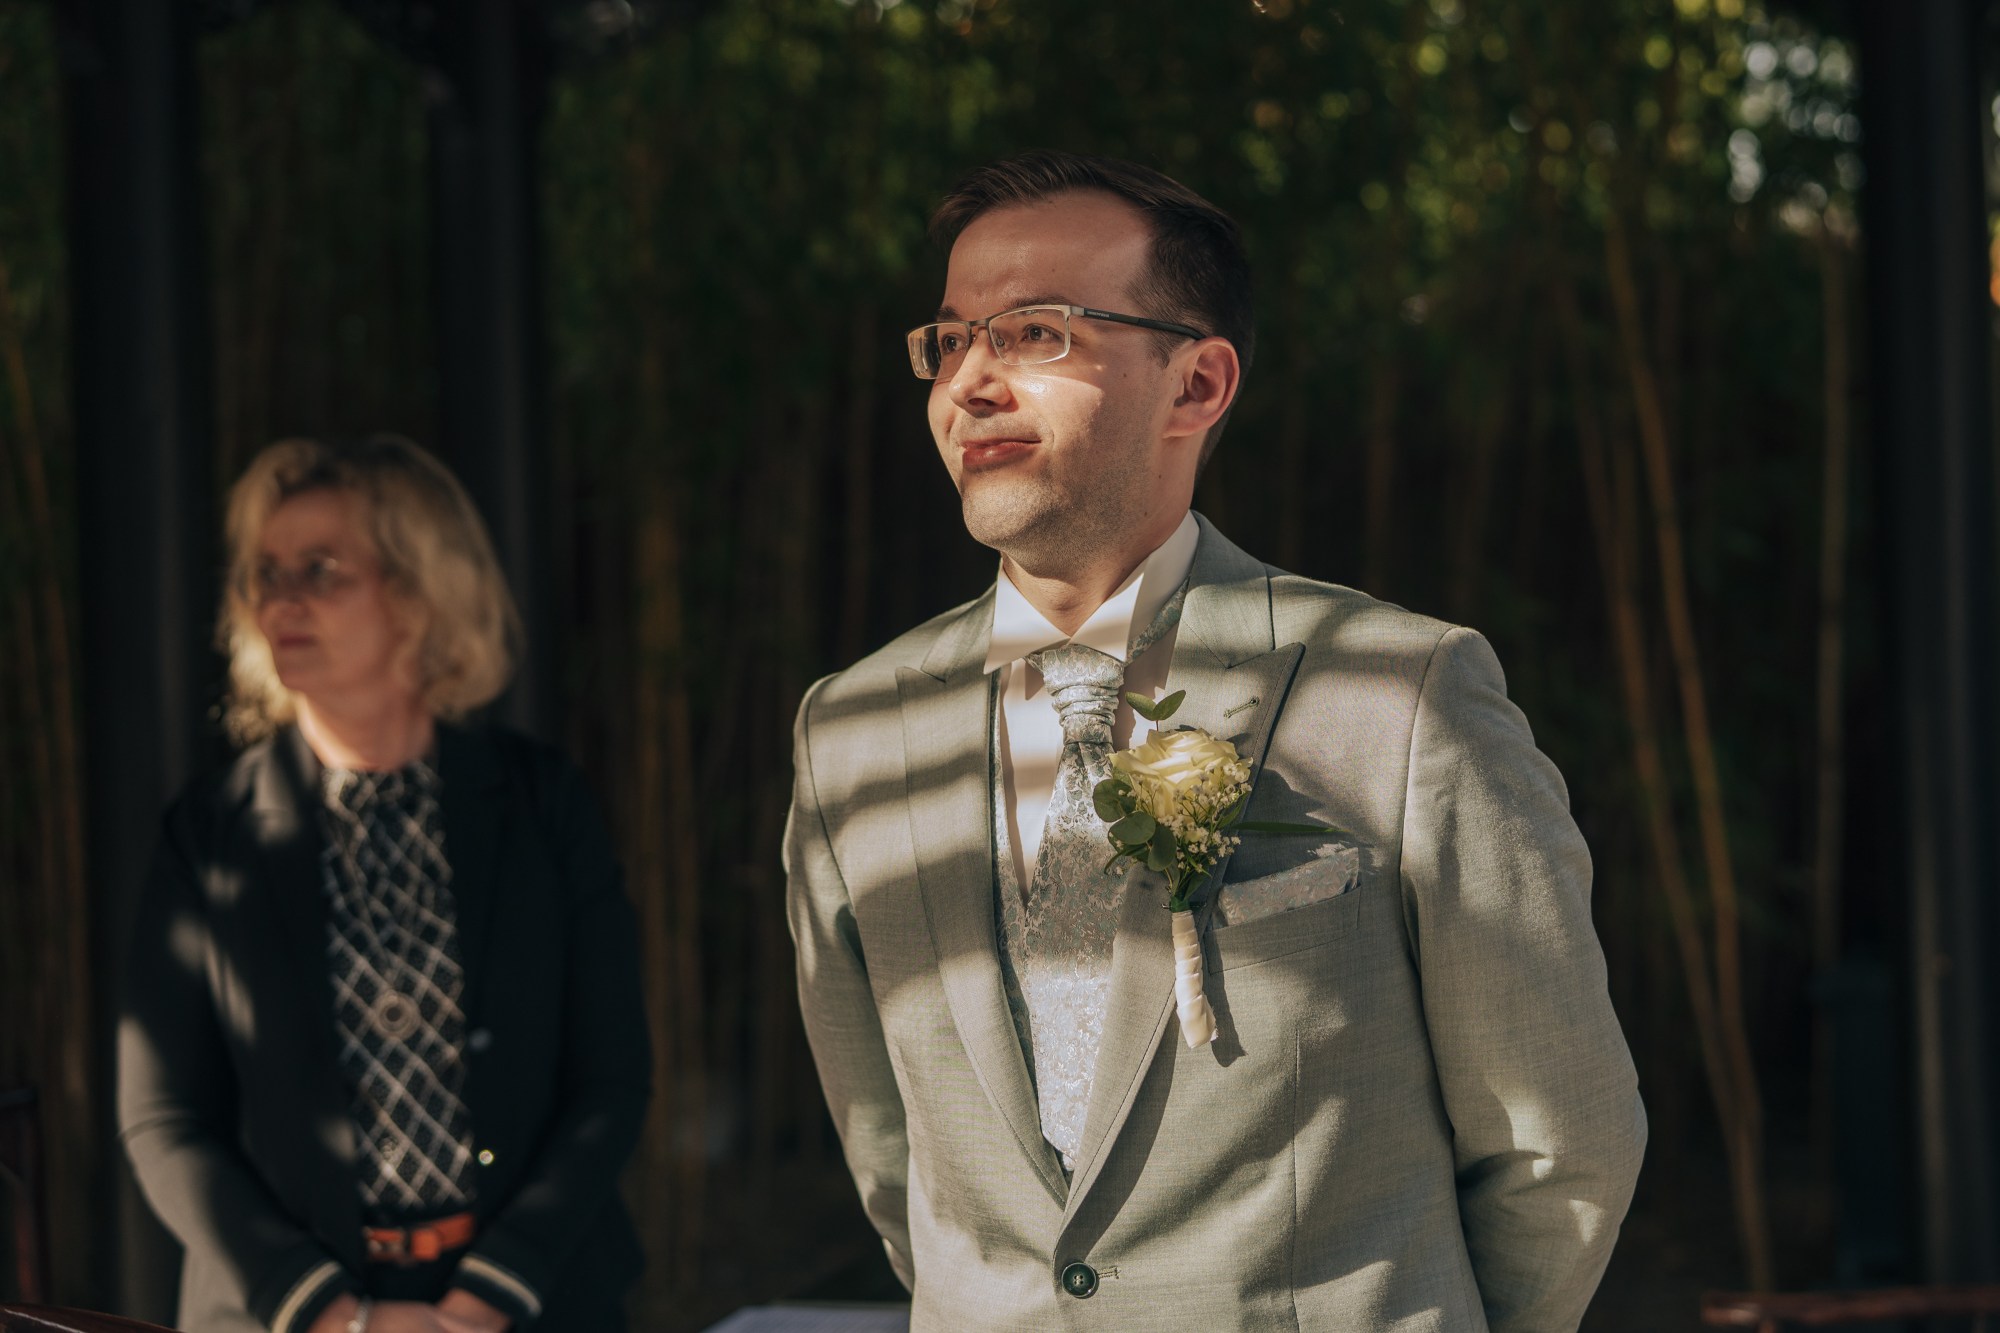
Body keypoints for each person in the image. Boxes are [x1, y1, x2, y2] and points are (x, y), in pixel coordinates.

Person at [785, 152, 1647, 1331]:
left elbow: (1558, 1141)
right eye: (948, 340)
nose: (969, 382)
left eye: (1033, 333)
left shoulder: (1400, 698)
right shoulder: (852, 734)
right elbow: (892, 1162)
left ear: (1194, 383)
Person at [118, 436, 650, 1333]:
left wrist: (479, 1304)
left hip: (532, 1303)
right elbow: (162, 1119)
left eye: (320, 570)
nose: (280, 600)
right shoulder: (207, 835)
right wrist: (338, 1318)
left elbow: (612, 1079)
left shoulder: (542, 804)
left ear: (420, 591)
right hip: (287, 1316)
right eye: (265, 574)